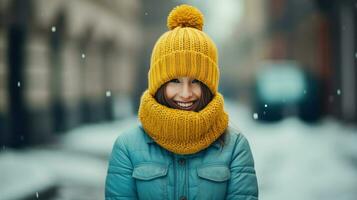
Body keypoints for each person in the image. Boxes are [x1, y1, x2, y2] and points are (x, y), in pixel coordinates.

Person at [105, 4, 258, 200]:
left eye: (195, 81)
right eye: (175, 81)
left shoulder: (235, 147)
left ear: (209, 86)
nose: (185, 94)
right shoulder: (127, 147)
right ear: (159, 85)